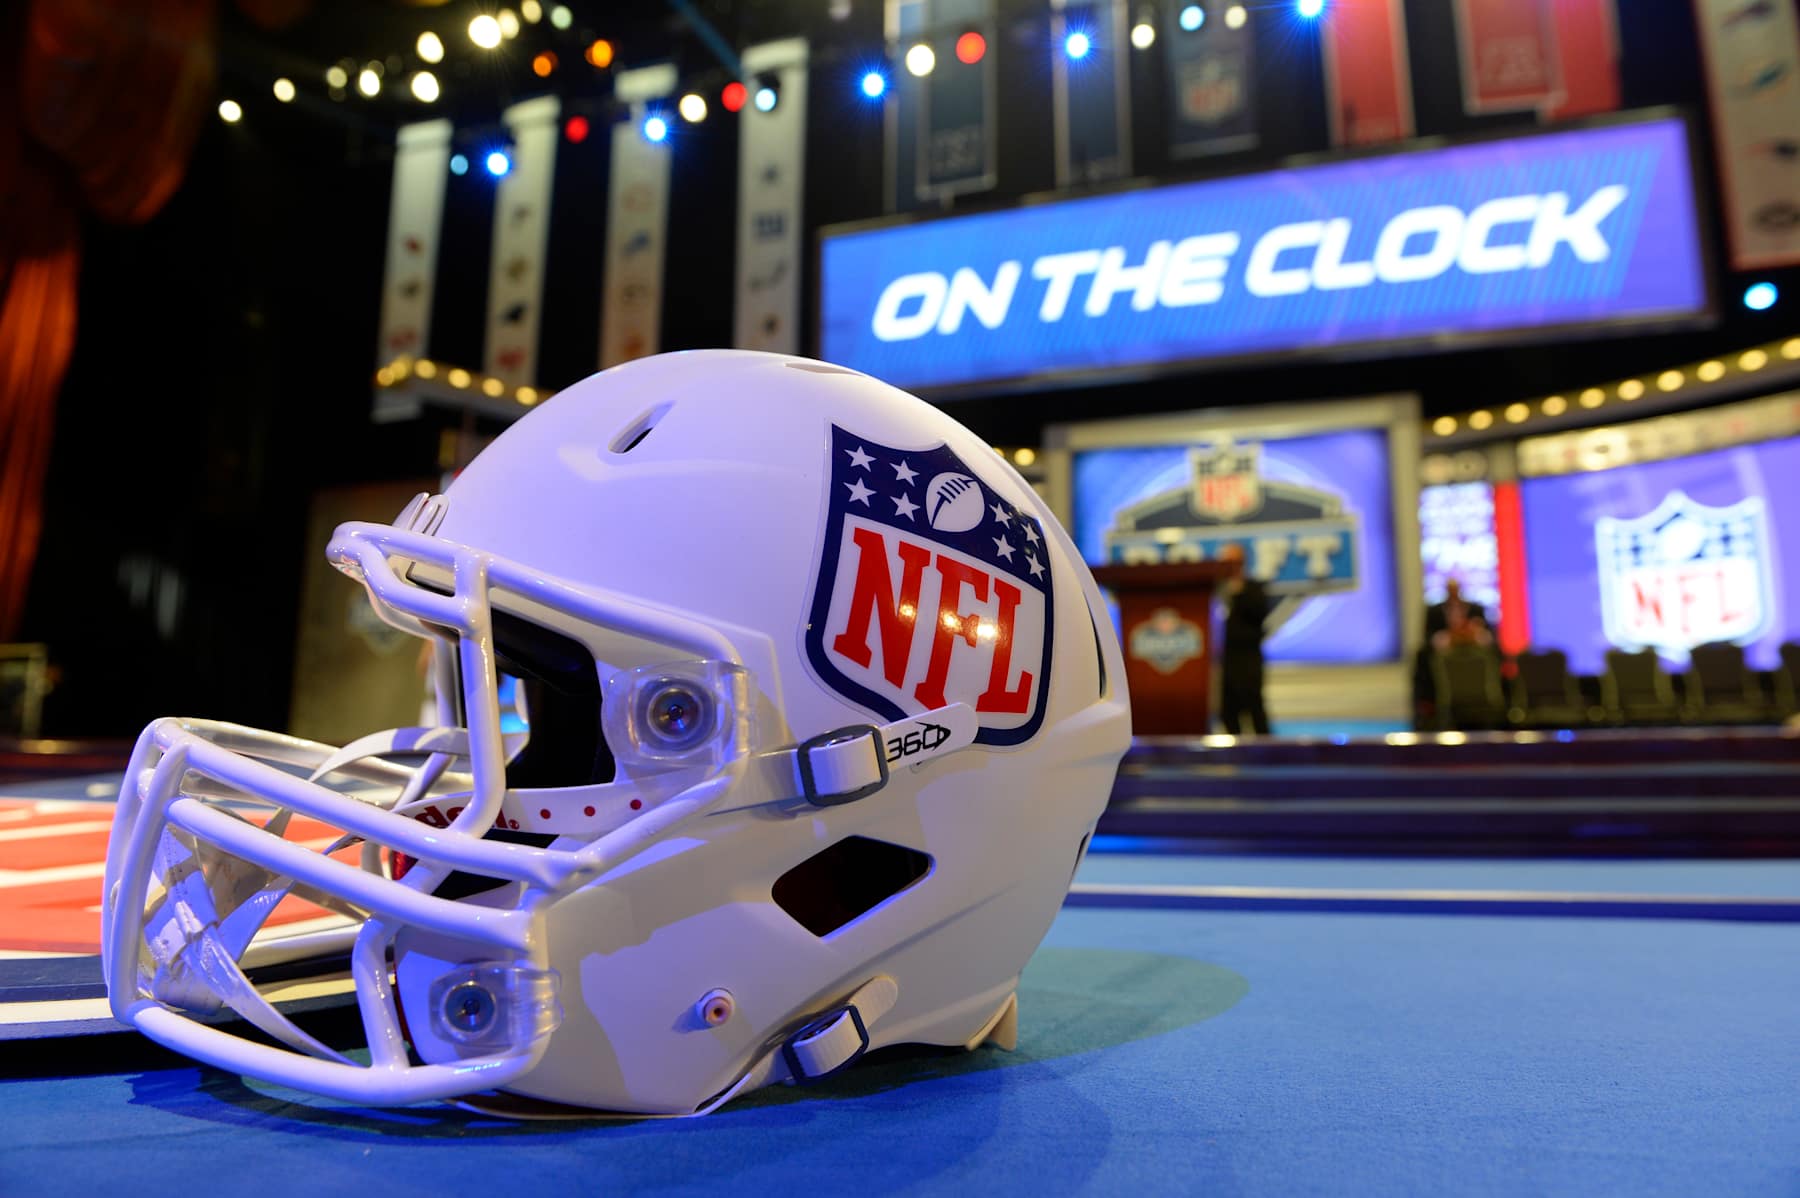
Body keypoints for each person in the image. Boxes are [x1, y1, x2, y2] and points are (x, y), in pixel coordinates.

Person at [1216, 543, 1271, 736]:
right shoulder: (1215, 591)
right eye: (1226, 562)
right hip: (1223, 664)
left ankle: (1268, 757)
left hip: (1248, 661)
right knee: (1227, 712)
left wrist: (1237, 592)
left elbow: (1259, 616)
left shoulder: (1253, 589)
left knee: (1254, 709)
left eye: (1234, 562)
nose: (1230, 566)